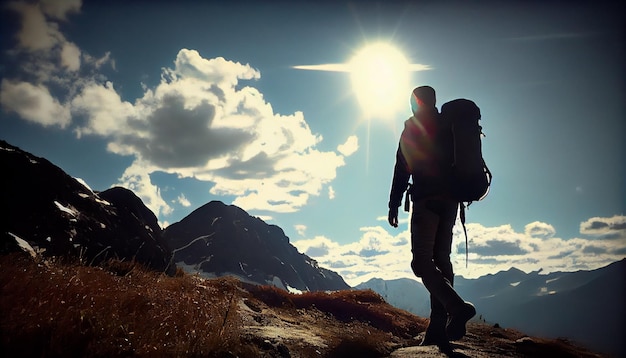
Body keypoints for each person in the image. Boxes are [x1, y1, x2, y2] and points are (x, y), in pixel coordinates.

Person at [388, 86, 476, 349]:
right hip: (450, 203)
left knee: (421, 262)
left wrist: (393, 204)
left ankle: (455, 308)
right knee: (442, 260)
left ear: (416, 103)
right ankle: (438, 327)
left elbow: (402, 168)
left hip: (426, 201)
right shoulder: (449, 127)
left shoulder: (413, 128)